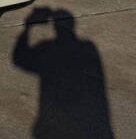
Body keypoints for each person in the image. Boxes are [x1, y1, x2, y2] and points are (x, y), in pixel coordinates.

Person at [13, 7, 114, 138]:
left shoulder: (47, 48)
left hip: (54, 126)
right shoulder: (89, 46)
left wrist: (28, 27)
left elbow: (20, 60)